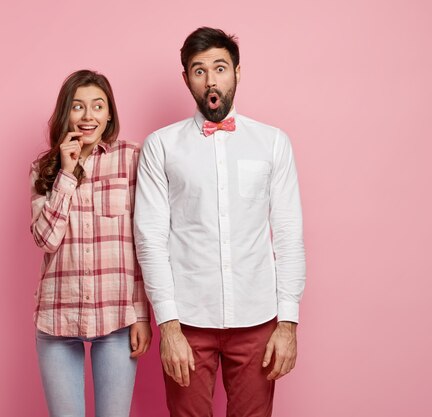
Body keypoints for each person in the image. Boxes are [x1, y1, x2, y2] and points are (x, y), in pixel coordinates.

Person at [134, 28, 306, 416]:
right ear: (186, 79)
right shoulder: (160, 146)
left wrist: (288, 323)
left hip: (258, 318)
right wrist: (169, 327)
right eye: (199, 70)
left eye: (220, 68)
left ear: (237, 72)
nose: (211, 80)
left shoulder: (273, 143)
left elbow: (289, 235)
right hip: (188, 320)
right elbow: (151, 238)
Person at [30, 69, 151, 417]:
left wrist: (141, 315)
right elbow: (45, 240)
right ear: (66, 112)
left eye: (98, 106)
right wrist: (67, 174)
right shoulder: (44, 169)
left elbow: (142, 242)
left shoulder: (131, 158)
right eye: (79, 107)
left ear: (109, 113)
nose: (88, 116)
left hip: (116, 317)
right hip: (57, 317)